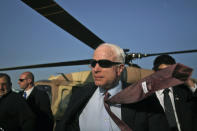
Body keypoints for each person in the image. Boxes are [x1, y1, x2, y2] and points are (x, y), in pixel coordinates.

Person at [152, 54, 197, 131]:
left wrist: (190, 82)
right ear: (155, 72)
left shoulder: (183, 92)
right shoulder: (148, 96)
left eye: (169, 71)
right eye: (162, 71)